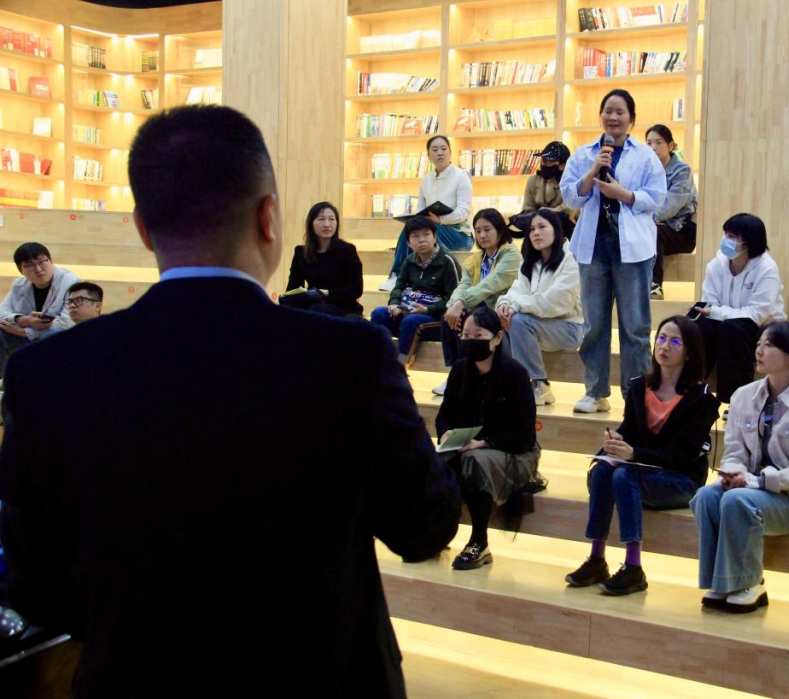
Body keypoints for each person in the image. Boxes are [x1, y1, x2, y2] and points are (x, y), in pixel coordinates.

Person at [0, 105, 460, 698]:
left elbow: (35, 587)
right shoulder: (353, 356)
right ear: (269, 218)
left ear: (142, 229)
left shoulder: (45, 373)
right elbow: (424, 527)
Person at [565, 316, 719, 596]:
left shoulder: (701, 399)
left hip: (682, 480)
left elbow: (682, 456)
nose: (665, 346)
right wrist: (616, 442)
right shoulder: (639, 386)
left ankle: (633, 566)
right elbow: (630, 431)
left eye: (675, 341)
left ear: (689, 352)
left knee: (624, 475)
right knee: (602, 469)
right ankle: (597, 558)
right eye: (661, 338)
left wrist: (634, 453)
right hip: (644, 471)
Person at [691, 322, 789, 613]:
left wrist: (754, 481)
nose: (759, 350)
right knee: (706, 496)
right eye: (758, 344)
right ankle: (722, 580)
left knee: (737, 499)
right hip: (748, 490)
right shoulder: (743, 395)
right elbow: (734, 451)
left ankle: (750, 582)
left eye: (768, 345)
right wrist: (733, 472)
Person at [560, 89, 667, 413]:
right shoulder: (585, 153)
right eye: (608, 111)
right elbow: (570, 196)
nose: (613, 117)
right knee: (594, 324)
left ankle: (636, 397)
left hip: (633, 248)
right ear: (601, 116)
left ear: (631, 119)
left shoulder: (645, 155)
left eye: (620, 112)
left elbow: (657, 197)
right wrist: (592, 171)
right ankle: (595, 392)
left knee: (635, 327)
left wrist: (625, 194)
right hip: (593, 246)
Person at [435, 307, 541, 570]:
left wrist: (483, 443)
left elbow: (524, 433)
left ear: (497, 338)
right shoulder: (460, 369)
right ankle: (436, 532)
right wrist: (446, 433)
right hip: (467, 443)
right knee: (433, 460)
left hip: (513, 450)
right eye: (466, 335)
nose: (470, 340)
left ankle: (479, 542)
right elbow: (444, 415)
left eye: (478, 335)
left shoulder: (515, 373)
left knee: (473, 461)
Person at [496, 209, 584, 406]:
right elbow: (517, 290)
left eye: (542, 227)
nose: (536, 233)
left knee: (519, 320)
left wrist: (517, 305)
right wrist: (504, 304)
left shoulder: (571, 258)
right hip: (537, 324)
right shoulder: (529, 262)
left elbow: (558, 301)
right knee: (499, 322)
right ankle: (509, 383)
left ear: (556, 229)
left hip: (569, 328)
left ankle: (540, 385)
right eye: (532, 229)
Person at [695, 213, 785, 404]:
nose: (725, 240)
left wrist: (717, 312)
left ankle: (735, 401)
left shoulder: (767, 268)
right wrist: (713, 312)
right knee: (701, 327)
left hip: (761, 326)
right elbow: (709, 302)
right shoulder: (716, 264)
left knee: (731, 329)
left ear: (749, 243)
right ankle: (691, 392)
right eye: (726, 234)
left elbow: (757, 314)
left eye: (732, 236)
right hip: (725, 324)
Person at [434, 209, 522, 396]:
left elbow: (489, 285)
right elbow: (463, 285)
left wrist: (461, 304)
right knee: (450, 316)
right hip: (478, 310)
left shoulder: (511, 255)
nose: (482, 235)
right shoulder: (475, 259)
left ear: (500, 229)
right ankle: (456, 373)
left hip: (500, 311)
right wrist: (453, 305)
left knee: (465, 316)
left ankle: (467, 374)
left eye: (487, 230)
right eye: (478, 230)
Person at [378, 135, 473, 291]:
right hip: (433, 229)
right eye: (434, 150)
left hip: (460, 235)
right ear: (429, 155)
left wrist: (440, 220)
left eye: (443, 149)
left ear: (450, 152)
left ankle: (401, 276)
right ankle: (397, 277)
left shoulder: (461, 177)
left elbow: (463, 212)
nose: (440, 153)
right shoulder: (426, 180)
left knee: (424, 230)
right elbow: (420, 210)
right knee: (412, 227)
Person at [370, 216, 463, 364]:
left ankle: (400, 367)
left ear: (435, 236)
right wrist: (395, 303)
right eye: (416, 236)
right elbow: (399, 287)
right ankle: (378, 362)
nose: (422, 240)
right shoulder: (409, 261)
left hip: (437, 319)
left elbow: (455, 299)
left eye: (426, 234)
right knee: (379, 314)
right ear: (408, 242)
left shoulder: (448, 262)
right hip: (409, 312)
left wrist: (427, 310)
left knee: (411, 321)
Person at [0, 243, 80, 379]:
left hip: (62, 341)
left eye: (42, 262)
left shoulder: (72, 283)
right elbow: (2, 312)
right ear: (21, 270)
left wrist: (24, 332)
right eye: (29, 265)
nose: (38, 269)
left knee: (54, 333)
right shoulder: (19, 284)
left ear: (51, 261)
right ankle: (7, 381)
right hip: (32, 340)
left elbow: (67, 323)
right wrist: (24, 320)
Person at [283, 201, 364, 316]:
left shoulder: (347, 250)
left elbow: (356, 290)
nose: (327, 224)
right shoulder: (301, 252)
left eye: (331, 219)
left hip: (343, 307)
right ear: (311, 223)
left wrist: (326, 293)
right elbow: (293, 288)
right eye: (321, 219)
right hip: (314, 304)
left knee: (317, 310)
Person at [645, 124, 697, 300]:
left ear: (670, 145)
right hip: (656, 227)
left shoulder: (682, 171)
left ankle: (654, 285)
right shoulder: (646, 172)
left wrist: (643, 218)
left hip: (681, 231)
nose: (653, 147)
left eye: (658, 142)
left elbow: (670, 206)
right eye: (649, 143)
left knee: (652, 231)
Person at [520, 140, 577, 239]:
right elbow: (527, 210)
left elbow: (567, 210)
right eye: (543, 160)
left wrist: (541, 213)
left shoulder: (571, 182)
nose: (544, 164)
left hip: (564, 235)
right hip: (536, 233)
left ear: (562, 165)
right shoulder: (533, 181)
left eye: (550, 161)